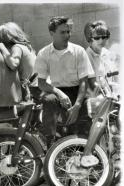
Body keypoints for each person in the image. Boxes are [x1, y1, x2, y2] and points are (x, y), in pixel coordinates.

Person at [34, 16, 94, 157]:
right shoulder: (43, 53)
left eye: (68, 31)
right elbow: (41, 83)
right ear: (52, 33)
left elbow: (84, 81)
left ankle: (86, 155)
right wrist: (58, 93)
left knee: (83, 131)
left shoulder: (79, 51)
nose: (67, 35)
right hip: (56, 91)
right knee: (48, 100)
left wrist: (78, 105)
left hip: (78, 91)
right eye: (62, 32)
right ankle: (50, 144)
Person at [0, 22, 37, 101]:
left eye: (1, 37)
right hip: (34, 86)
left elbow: (14, 64)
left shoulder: (17, 48)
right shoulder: (26, 47)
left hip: (27, 90)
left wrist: (2, 48)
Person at [84, 20, 119, 95]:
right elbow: (92, 86)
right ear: (90, 38)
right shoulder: (86, 56)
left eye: (104, 37)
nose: (101, 40)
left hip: (112, 95)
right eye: (97, 38)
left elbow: (115, 77)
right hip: (96, 98)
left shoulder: (107, 53)